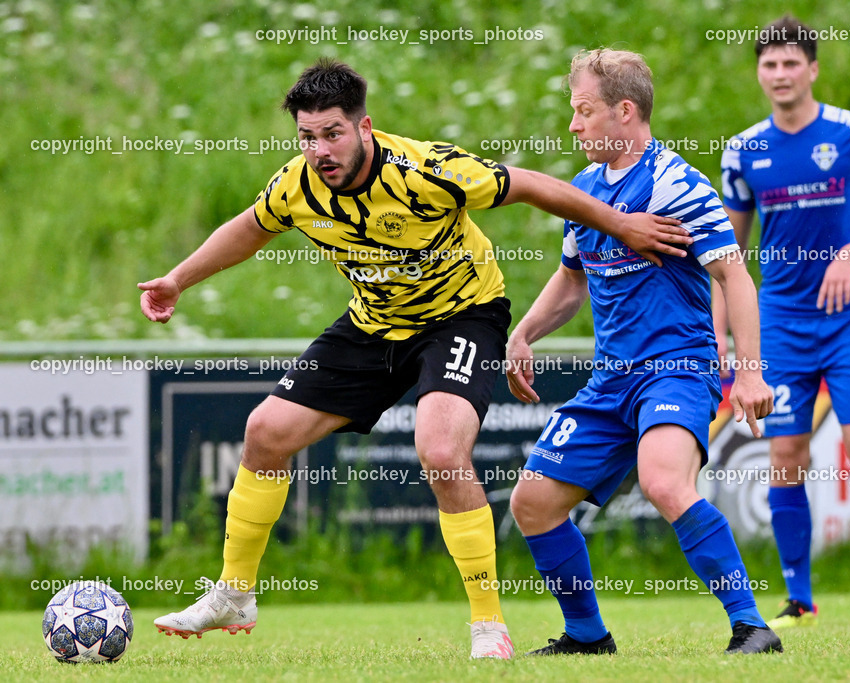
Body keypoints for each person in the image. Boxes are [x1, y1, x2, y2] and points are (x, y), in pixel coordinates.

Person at [139, 57, 690, 659]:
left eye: (332, 133)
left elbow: (533, 185)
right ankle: (234, 594)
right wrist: (177, 280)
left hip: (464, 316)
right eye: (307, 137)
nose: (319, 150)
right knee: (265, 431)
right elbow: (250, 226)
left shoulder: (426, 170)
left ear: (364, 127)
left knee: (441, 450)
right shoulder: (297, 184)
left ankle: (489, 626)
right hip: (375, 324)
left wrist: (624, 227)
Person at [506, 48, 782, 656]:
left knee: (663, 481)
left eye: (584, 112)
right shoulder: (583, 189)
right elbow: (572, 279)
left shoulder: (676, 184)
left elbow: (734, 275)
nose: (574, 126)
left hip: (676, 369)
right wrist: (524, 332)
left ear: (623, 112)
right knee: (533, 503)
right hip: (611, 382)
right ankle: (587, 636)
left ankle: (752, 625)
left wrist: (749, 372)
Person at [716, 15, 850, 628]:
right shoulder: (742, 149)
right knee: (786, 455)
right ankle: (800, 600)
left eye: (789, 63)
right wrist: (721, 333)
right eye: (768, 64)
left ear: (812, 69)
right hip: (779, 322)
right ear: (759, 73)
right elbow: (727, 256)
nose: (779, 74)